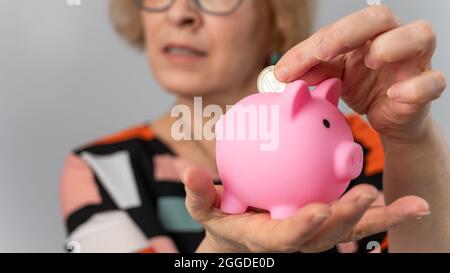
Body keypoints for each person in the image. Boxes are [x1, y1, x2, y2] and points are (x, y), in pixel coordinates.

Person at [60, 0, 450, 253]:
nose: (179, 13)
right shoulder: (102, 171)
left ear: (275, 15)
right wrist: (224, 247)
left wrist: (410, 139)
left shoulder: (365, 145)